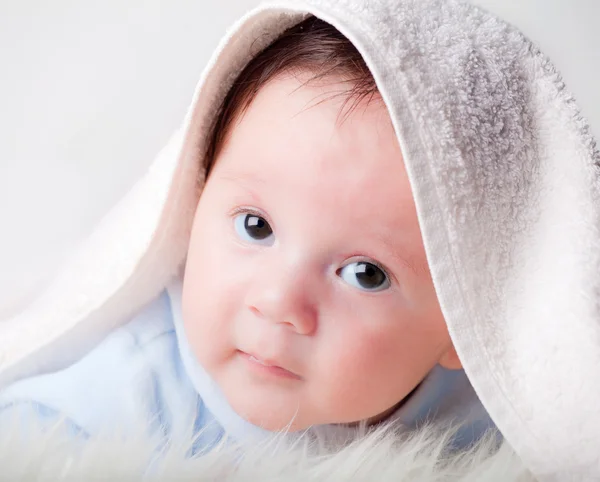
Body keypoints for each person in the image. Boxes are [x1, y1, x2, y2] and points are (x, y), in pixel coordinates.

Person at [1, 0, 599, 478]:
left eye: (367, 274)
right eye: (255, 227)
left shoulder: (497, 418)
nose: (280, 303)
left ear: (471, 323)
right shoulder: (117, 401)